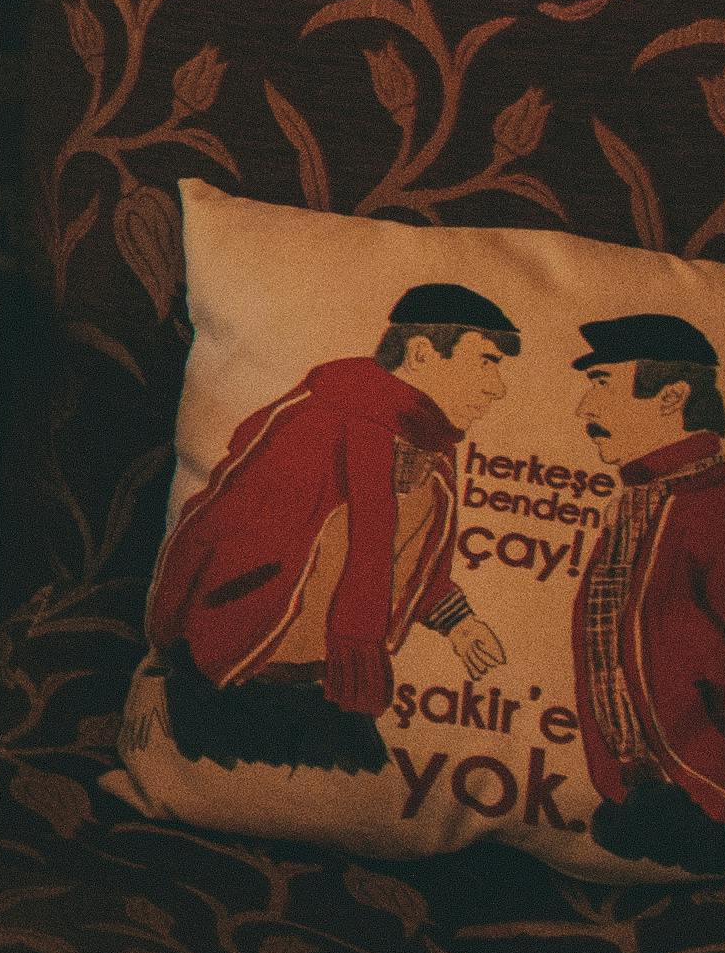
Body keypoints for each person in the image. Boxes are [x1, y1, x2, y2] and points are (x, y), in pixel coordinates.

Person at [146, 280, 519, 773]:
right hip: (235, 679)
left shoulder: (433, 458)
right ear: (423, 353)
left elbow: (399, 563)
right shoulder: (314, 424)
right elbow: (207, 529)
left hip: (334, 688)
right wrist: (161, 652)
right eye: (487, 361)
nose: (499, 387)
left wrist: (460, 623)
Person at [566, 314, 725, 874]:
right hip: (642, 795)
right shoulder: (640, 504)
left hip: (719, 796)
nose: (584, 409)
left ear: (672, 397)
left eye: (602, 383)